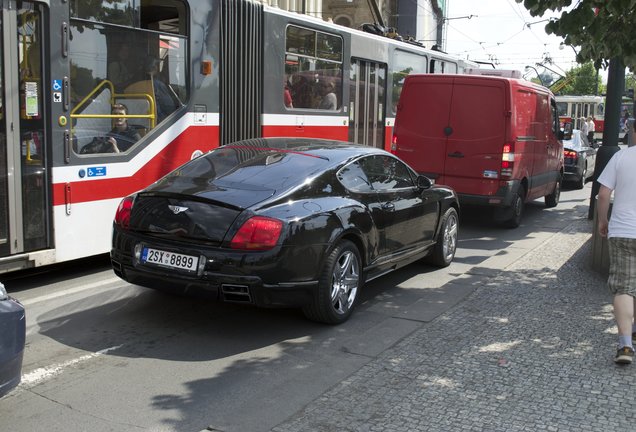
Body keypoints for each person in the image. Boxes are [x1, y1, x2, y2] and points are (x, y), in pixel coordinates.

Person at [597, 123, 636, 364]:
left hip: (622, 231)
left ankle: (625, 346)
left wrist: (603, 220)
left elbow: (603, 194)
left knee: (624, 287)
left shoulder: (621, 157)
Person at [145, 56, 180, 122]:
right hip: (159, 119)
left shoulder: (139, 83)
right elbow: (169, 107)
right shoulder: (158, 84)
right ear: (155, 67)